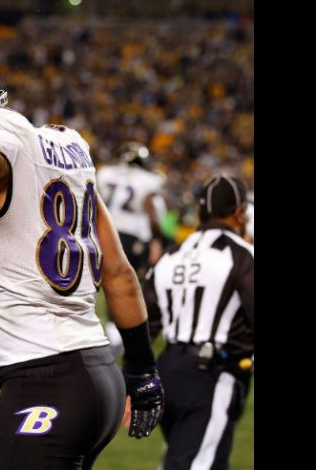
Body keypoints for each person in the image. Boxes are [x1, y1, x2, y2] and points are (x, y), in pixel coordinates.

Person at [0, 42, 164, 470]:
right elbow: (119, 271)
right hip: (94, 369)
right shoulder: (60, 148)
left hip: (47, 378)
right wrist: (141, 369)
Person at [143, 174, 253, 470]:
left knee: (190, 456)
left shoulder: (171, 255)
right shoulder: (242, 255)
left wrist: (135, 376)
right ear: (239, 211)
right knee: (198, 464)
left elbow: (143, 322)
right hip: (212, 372)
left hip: (167, 371)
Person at [96, 142, 167, 354]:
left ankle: (109, 330)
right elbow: (151, 213)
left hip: (103, 232)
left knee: (104, 282)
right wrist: (158, 238)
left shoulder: (106, 173)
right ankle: (124, 333)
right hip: (131, 236)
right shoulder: (148, 180)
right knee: (128, 284)